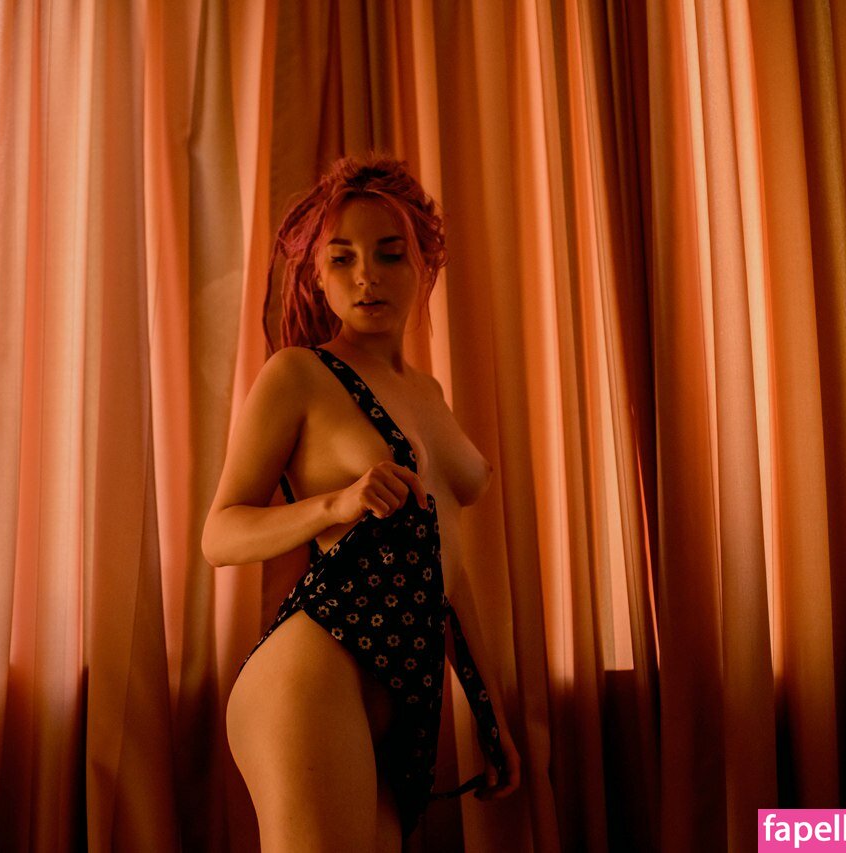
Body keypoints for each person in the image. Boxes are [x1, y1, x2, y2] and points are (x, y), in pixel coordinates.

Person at [201, 154, 521, 852]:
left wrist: (488, 710)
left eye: (389, 254)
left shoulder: (430, 395)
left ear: (426, 265)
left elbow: (447, 564)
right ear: (317, 275)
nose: (366, 276)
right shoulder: (299, 375)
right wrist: (335, 505)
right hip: (312, 674)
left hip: (399, 694)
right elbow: (219, 536)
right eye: (342, 259)